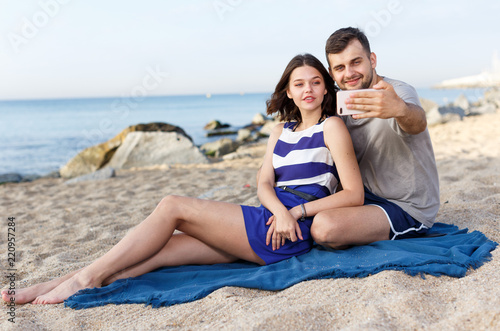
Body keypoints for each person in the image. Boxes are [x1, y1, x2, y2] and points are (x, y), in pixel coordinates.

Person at [2, 53, 364, 305]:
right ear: (288, 90)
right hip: (271, 218)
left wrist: (296, 213)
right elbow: (263, 184)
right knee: (165, 249)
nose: (308, 90)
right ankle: (53, 284)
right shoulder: (279, 130)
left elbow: (354, 194)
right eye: (299, 83)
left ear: (326, 88)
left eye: (316, 82)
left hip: (288, 234)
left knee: (172, 205)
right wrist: (279, 211)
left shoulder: (330, 127)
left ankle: (85, 279)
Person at [309, 27, 440, 249]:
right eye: (340, 67)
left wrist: (399, 109)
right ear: (332, 74)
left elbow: (417, 122)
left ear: (372, 60)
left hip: (406, 206)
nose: (349, 73)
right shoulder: (339, 103)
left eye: (356, 62)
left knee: (324, 228)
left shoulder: (397, 93)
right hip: (364, 198)